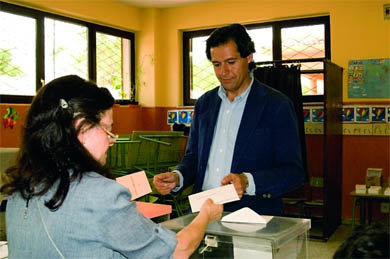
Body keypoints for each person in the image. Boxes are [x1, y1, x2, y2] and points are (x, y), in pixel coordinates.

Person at [1, 75, 223, 259]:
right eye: (108, 130)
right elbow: (177, 250)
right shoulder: (100, 193)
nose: (112, 140)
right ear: (82, 127)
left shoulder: (20, 191)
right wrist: (204, 215)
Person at [154, 23, 304, 215]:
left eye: (231, 62)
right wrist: (178, 176)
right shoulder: (204, 104)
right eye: (217, 64)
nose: (223, 72)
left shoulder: (276, 105)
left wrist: (247, 181)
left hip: (253, 216)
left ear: (248, 57)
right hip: (203, 212)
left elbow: (293, 173)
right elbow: (193, 158)